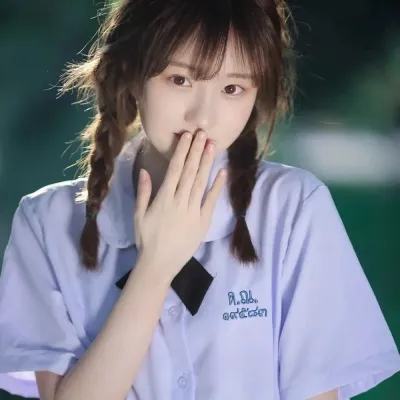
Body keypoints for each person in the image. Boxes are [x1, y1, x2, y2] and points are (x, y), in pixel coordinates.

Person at [0, 0, 399, 399]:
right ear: (132, 73)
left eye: (232, 89)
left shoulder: (294, 208)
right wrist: (155, 267)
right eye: (180, 80)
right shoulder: (46, 222)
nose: (203, 117)